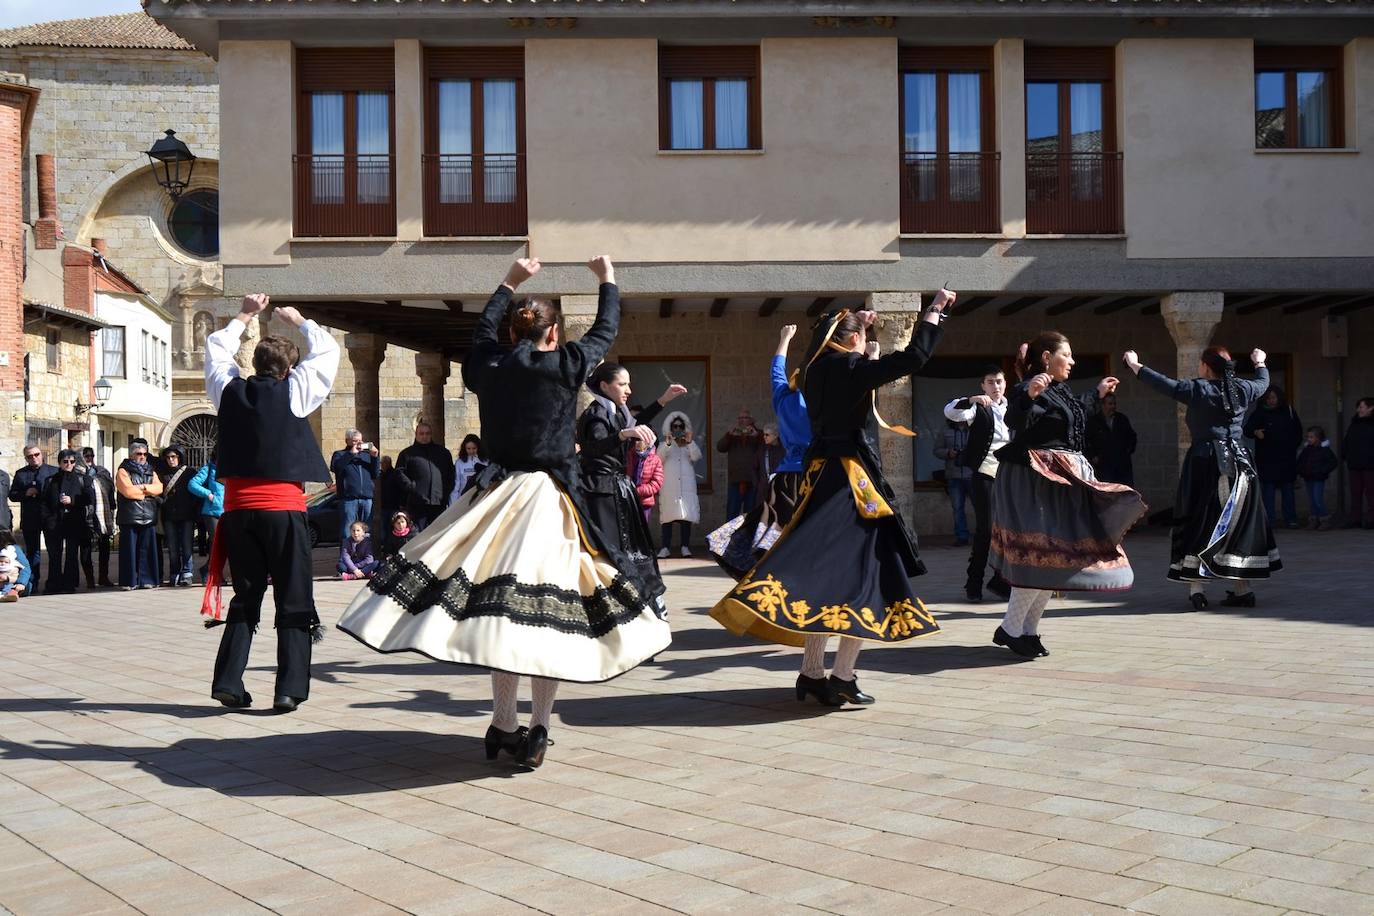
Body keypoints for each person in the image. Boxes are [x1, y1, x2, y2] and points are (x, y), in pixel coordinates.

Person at [338, 255, 670, 770]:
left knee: (501, 617)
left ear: (516, 333)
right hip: (546, 501)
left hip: (494, 499)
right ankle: (537, 726)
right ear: (554, 333)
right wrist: (607, 280)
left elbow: (482, 336)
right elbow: (605, 331)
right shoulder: (565, 365)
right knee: (545, 621)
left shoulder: (489, 367)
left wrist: (508, 283)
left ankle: (502, 723)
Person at [711, 292, 956, 706]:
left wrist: (857, 327)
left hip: (819, 477)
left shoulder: (813, 370)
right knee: (865, 576)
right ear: (854, 339)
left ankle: (811, 672)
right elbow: (913, 358)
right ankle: (841, 675)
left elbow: (830, 351)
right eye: (862, 334)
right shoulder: (849, 367)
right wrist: (933, 313)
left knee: (828, 577)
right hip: (849, 483)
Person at [203, 294, 339, 713]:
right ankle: (288, 689)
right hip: (283, 510)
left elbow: (215, 348)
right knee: (294, 598)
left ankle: (228, 681)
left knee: (246, 597)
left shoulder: (229, 390)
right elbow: (329, 350)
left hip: (239, 512)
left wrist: (245, 314)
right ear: (289, 369)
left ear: (256, 364)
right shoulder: (297, 391)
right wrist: (299, 319)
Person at [990, 334, 1147, 659]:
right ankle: (1010, 628)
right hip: (1032, 480)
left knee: (1056, 558)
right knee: (1037, 555)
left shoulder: (1060, 390)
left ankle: (1027, 630)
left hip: (1059, 481)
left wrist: (1098, 393)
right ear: (1047, 357)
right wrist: (1029, 396)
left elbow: (1071, 413)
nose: (1073, 361)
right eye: (1067, 355)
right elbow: (1013, 419)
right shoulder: (1029, 387)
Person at [1124, 346, 1280, 609]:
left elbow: (1165, 384)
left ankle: (1197, 590)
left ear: (1206, 366)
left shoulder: (1198, 390)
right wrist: (1260, 362)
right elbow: (1263, 383)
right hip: (1240, 464)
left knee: (1199, 519)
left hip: (1205, 461)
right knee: (1237, 522)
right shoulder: (1242, 388)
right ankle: (1243, 589)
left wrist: (1134, 365)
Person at [708, 324, 812, 579]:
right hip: (812, 474)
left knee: (774, 530)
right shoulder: (816, 405)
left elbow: (776, 369)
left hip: (785, 479)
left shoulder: (782, 398)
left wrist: (784, 338)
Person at [578, 362, 686, 602]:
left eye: (629, 384)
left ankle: (630, 598)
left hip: (615, 488)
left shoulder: (616, 411)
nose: (628, 389)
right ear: (605, 386)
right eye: (622, 384)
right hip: (600, 491)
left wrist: (663, 400)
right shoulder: (597, 414)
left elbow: (634, 425)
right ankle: (609, 600)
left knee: (628, 548)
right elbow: (593, 448)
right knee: (609, 551)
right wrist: (622, 435)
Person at [943, 365, 1013, 603]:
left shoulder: (1012, 408)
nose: (996, 386)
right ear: (983, 385)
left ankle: (1002, 582)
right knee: (986, 529)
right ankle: (974, 584)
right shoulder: (976, 408)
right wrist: (971, 399)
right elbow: (951, 412)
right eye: (991, 382)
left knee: (1009, 531)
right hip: (984, 475)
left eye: (1000, 381)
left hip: (1009, 477)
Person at [1243, 386, 1303, 529]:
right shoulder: (1260, 412)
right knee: (1268, 491)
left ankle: (1290, 519)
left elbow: (1298, 431)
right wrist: (1256, 432)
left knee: (1288, 490)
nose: (1271, 401)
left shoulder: (1288, 411)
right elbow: (1247, 429)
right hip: (1267, 458)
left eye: (1274, 398)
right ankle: (1269, 520)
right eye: (1269, 398)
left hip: (1286, 458)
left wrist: (1291, 446)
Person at [115, 439, 163, 590]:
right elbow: (128, 491)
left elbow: (159, 488)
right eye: (138, 454)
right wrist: (147, 492)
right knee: (129, 551)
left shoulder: (151, 470)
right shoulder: (123, 471)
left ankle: (147, 580)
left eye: (144, 454)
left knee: (147, 551)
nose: (142, 456)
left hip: (148, 515)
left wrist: (142, 488)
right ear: (131, 455)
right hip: (130, 517)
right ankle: (129, 581)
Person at [40, 449, 87, 594]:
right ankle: (54, 584)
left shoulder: (81, 479)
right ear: (60, 463)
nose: (69, 464)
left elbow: (88, 499)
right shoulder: (51, 480)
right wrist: (48, 520)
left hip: (73, 522)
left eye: (72, 461)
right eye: (65, 461)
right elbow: (44, 502)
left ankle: (69, 584)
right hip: (55, 523)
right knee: (55, 555)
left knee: (72, 554)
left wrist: (72, 501)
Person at [10, 445, 56, 591]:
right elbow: (12, 495)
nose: (34, 458)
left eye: (36, 454)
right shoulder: (21, 474)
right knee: (33, 552)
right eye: (30, 456)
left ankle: (53, 583)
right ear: (26, 458)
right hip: (30, 518)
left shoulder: (53, 471)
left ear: (41, 455)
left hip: (49, 518)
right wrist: (26, 493)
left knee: (53, 551)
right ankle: (32, 584)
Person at [395, 422, 455, 531]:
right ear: (416, 435)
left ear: (431, 434)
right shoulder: (407, 453)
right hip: (417, 503)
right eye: (421, 434)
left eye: (427, 433)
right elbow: (399, 473)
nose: (424, 436)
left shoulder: (443, 453)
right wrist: (411, 487)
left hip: (438, 502)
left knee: (438, 533)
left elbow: (451, 474)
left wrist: (446, 492)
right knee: (418, 533)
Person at [656, 410, 700, 558]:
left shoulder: (689, 445)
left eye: (680, 426)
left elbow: (696, 456)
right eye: (674, 426)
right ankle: (665, 547)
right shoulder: (664, 444)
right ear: (670, 428)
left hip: (686, 487)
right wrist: (668, 443)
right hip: (670, 486)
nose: (677, 429)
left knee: (685, 516)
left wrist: (690, 441)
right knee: (667, 517)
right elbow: (658, 458)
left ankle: (685, 546)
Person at [158, 445, 199, 587]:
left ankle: (187, 573)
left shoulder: (189, 472)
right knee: (173, 547)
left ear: (179, 457)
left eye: (174, 457)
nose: (171, 460)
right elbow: (158, 492)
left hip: (186, 514)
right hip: (169, 515)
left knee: (187, 546)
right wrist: (161, 501)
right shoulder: (161, 473)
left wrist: (192, 507)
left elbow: (196, 492)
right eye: (168, 457)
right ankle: (174, 573)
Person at [330, 429, 380, 543]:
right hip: (348, 499)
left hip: (367, 498)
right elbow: (336, 468)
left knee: (366, 530)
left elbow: (375, 474)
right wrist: (350, 454)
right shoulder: (340, 454)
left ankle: (365, 556)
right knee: (347, 530)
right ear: (347, 441)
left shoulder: (366, 455)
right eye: (355, 441)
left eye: (360, 441)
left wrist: (375, 457)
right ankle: (346, 557)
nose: (359, 444)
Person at [187, 449, 225, 584]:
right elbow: (192, 484)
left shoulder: (230, 469)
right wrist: (209, 494)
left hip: (228, 511)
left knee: (225, 544)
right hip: (211, 512)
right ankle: (212, 573)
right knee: (216, 542)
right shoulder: (209, 468)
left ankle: (209, 569)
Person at [1085, 392, 1138, 486]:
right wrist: (1093, 457)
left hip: (1122, 467)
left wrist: (1127, 451)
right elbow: (1087, 441)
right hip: (1104, 468)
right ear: (1102, 405)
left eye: (1114, 403)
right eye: (1110, 404)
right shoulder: (1094, 422)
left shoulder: (1122, 419)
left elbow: (1132, 437)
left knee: (1124, 495)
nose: (1113, 406)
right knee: (1106, 496)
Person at [80, 448, 116, 589]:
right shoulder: (77, 473)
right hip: (85, 516)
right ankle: (90, 579)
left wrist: (112, 508)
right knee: (86, 549)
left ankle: (103, 577)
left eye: (91, 455)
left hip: (103, 517)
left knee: (104, 547)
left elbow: (110, 490)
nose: (89, 458)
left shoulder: (102, 472)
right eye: (86, 456)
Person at [934, 419, 972, 547]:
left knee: (981, 508)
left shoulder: (975, 428)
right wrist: (948, 453)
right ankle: (962, 537)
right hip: (953, 475)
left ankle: (984, 536)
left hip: (972, 474)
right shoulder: (945, 430)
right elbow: (937, 450)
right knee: (957, 508)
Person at [717, 409, 762, 517]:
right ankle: (731, 534)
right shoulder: (732, 435)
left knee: (750, 514)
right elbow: (720, 447)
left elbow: (767, 447)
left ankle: (747, 534)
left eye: (745, 417)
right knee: (732, 514)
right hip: (735, 480)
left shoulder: (759, 434)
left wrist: (757, 436)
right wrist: (729, 435)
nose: (742, 420)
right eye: (740, 418)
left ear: (751, 420)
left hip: (752, 480)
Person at [1296, 426, 1338, 530]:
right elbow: (1300, 462)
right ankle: (1314, 519)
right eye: (1308, 437)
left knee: (1317, 498)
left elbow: (1332, 462)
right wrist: (1302, 470)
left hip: (1318, 478)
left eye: (1311, 437)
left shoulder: (1325, 450)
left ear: (1318, 438)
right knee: (1312, 500)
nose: (1309, 439)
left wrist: (1322, 471)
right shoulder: (1306, 450)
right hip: (1308, 477)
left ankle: (1324, 519)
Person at [1343, 397, 1374, 529]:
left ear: (1371, 408)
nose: (1358, 410)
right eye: (1358, 407)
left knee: (1371, 493)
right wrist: (1346, 455)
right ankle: (1355, 519)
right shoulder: (1354, 424)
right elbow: (1347, 441)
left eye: (1361, 407)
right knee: (1355, 493)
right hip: (1354, 464)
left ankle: (1371, 520)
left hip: (1370, 464)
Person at [627, 436, 664, 528]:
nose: (637, 442)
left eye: (640, 440)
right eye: (635, 440)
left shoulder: (655, 459)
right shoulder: (629, 456)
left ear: (648, 442)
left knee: (642, 529)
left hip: (644, 502)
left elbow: (656, 483)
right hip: (628, 498)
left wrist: (638, 490)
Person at [449, 434, 488, 506]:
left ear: (478, 448)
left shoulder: (485, 461)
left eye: (474, 448)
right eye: (468, 449)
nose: (471, 451)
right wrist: (453, 504)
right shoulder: (459, 463)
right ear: (464, 448)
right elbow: (456, 485)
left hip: (480, 498)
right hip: (464, 498)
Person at [0, 529, 31, 601]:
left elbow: (25, 567)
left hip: (13, 580)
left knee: (21, 587)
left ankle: (11, 594)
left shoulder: (14, 549)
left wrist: (21, 583)